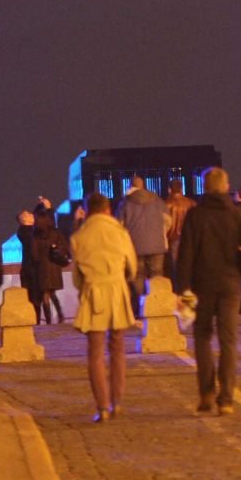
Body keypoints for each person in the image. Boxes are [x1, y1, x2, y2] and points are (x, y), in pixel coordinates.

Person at [173, 168, 241, 415]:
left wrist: (183, 289)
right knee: (229, 340)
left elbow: (185, 255)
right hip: (230, 285)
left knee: (202, 337)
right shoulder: (238, 214)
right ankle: (227, 399)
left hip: (202, 285)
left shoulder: (195, 215)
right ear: (225, 186)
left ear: (206, 187)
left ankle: (207, 393)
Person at [71, 192, 138, 423]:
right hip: (117, 291)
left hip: (94, 293)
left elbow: (77, 278)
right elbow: (132, 267)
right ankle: (118, 401)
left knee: (96, 353)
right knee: (118, 348)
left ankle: (103, 407)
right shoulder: (120, 232)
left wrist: (85, 290)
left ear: (88, 211)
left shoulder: (79, 236)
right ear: (108, 210)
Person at [116, 177, 169, 317]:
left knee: (137, 276)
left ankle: (142, 307)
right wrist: (160, 233)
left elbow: (119, 227)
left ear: (130, 186)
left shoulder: (125, 203)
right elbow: (168, 221)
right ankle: (157, 307)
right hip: (157, 245)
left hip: (134, 247)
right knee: (156, 275)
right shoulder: (158, 200)